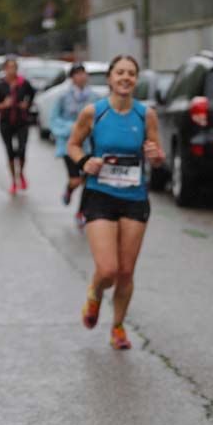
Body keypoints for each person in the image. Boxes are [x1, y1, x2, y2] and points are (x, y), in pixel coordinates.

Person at [67, 55, 165, 350]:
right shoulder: (93, 113)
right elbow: (72, 145)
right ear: (109, 78)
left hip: (134, 198)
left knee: (125, 272)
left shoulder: (146, 115)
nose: (126, 78)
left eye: (131, 74)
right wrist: (85, 162)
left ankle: (118, 327)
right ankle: (95, 293)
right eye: (120, 72)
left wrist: (156, 158)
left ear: (136, 80)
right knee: (108, 269)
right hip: (100, 197)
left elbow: (157, 158)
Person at [50, 63, 96, 226]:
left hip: (88, 146)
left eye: (83, 73)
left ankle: (81, 211)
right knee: (76, 180)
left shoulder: (94, 97)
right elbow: (53, 119)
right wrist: (70, 128)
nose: (81, 77)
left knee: (88, 181)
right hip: (69, 145)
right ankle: (69, 190)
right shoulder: (63, 96)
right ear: (72, 77)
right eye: (77, 74)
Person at [0, 57, 36, 195]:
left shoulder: (24, 83)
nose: (12, 70)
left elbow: (32, 95)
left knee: (22, 150)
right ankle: (13, 180)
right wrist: (3, 105)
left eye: (14, 67)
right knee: (10, 151)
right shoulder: (0, 85)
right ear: (5, 69)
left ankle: (21, 173)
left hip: (22, 121)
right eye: (9, 67)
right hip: (6, 122)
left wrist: (26, 104)